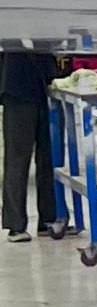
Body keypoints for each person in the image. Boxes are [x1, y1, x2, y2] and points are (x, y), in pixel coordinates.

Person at [1, 38, 70, 243]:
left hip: (47, 84)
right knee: (18, 158)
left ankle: (48, 219)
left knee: (51, 156)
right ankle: (15, 225)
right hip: (17, 86)